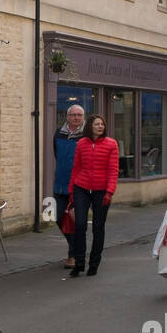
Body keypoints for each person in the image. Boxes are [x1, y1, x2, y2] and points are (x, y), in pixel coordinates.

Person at [68, 114, 119, 277]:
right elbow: (76, 168)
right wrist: (71, 191)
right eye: (97, 124)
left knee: (98, 227)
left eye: (102, 124)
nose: (100, 126)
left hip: (101, 190)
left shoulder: (111, 144)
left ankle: (94, 263)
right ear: (90, 126)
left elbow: (113, 170)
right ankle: (79, 262)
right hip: (81, 187)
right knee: (80, 225)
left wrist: (109, 192)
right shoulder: (81, 143)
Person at [53, 105, 85, 267]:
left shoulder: (87, 135)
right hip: (60, 185)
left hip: (79, 186)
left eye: (79, 115)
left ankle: (73, 255)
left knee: (76, 222)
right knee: (58, 217)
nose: (76, 118)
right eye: (73, 115)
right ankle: (76, 249)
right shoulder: (59, 133)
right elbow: (57, 155)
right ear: (67, 116)